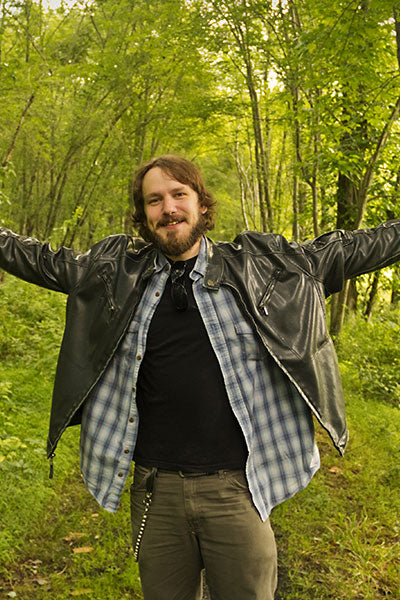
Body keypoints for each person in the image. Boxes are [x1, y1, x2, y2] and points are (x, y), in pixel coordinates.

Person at [0, 154, 399, 600]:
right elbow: (35, 257)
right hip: (156, 491)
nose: (168, 208)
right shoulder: (113, 273)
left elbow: (351, 248)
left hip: (238, 488)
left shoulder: (262, 267)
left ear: (202, 206)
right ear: (143, 215)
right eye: (155, 200)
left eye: (178, 195)